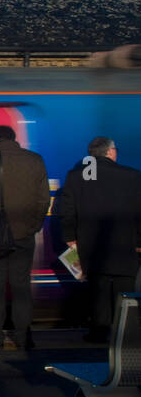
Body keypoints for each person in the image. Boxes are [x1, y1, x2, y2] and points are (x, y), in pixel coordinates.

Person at [0, 125, 50, 350]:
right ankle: (23, 338)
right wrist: (33, 226)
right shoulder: (35, 159)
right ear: (14, 139)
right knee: (21, 286)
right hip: (23, 235)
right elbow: (44, 199)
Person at [57, 137, 141, 342]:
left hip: (90, 244)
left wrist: (70, 237)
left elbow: (67, 211)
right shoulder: (132, 176)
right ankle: (125, 334)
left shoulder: (76, 177)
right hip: (124, 243)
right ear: (111, 152)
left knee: (97, 289)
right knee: (124, 290)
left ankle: (99, 332)